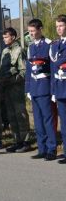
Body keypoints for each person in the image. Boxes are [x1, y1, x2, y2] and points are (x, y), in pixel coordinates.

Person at [25, 19, 57, 161]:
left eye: (33, 31)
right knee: (37, 121)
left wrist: (53, 89)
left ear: (40, 29)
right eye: (29, 31)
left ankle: (51, 148)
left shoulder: (49, 45)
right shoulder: (30, 47)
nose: (31, 33)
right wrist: (28, 88)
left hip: (45, 86)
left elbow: (53, 67)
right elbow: (28, 69)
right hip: (34, 87)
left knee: (48, 119)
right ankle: (41, 148)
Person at [0, 27, 32, 153]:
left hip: (16, 87)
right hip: (6, 88)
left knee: (20, 114)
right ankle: (17, 140)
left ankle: (26, 141)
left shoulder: (19, 50)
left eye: (6, 37)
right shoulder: (5, 51)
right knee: (11, 115)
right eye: (3, 37)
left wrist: (12, 80)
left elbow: (24, 71)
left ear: (13, 37)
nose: (4, 39)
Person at [50, 14, 66, 164]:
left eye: (61, 26)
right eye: (57, 27)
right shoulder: (55, 45)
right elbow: (54, 68)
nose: (59, 29)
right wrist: (53, 91)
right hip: (60, 89)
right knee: (64, 123)